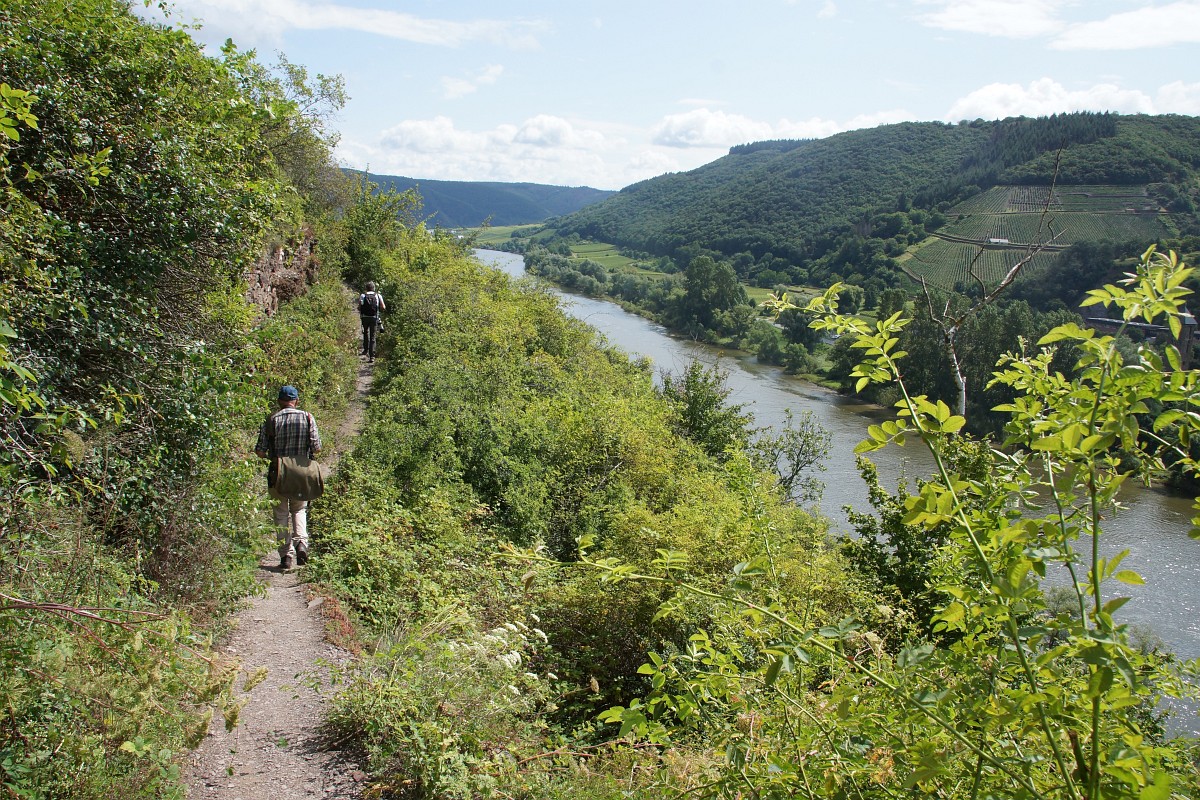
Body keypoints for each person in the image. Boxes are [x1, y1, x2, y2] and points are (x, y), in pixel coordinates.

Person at [254, 385, 322, 570]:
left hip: (278, 473)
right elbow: (316, 448)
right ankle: (301, 544)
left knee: (281, 513)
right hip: (302, 473)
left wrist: (273, 455)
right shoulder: (307, 417)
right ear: (296, 401)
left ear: (279, 401)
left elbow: (260, 451)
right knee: (299, 509)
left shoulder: (271, 420)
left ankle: (286, 556)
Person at [358, 281, 386, 362]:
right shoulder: (378, 295)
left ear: (366, 288)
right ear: (374, 288)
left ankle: (365, 350)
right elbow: (383, 307)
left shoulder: (363, 295)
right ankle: (372, 356)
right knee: (373, 336)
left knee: (365, 333)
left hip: (364, 317)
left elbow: (359, 307)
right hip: (374, 318)